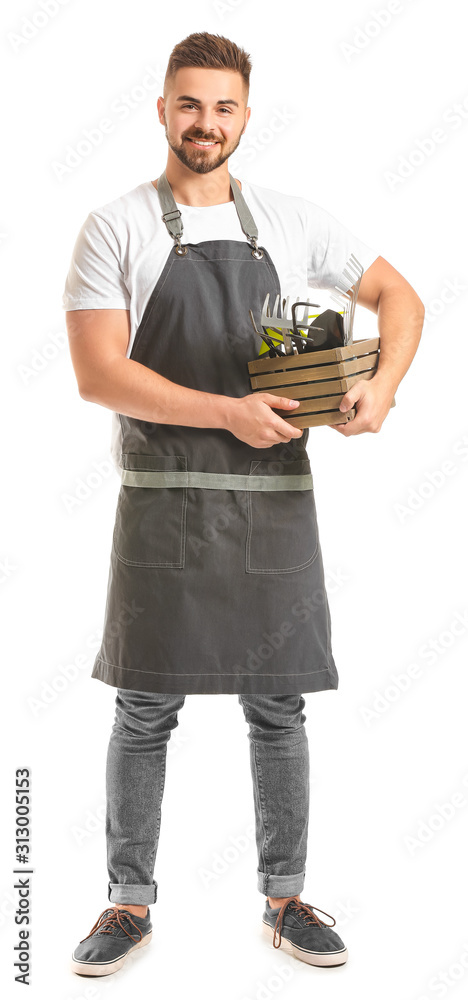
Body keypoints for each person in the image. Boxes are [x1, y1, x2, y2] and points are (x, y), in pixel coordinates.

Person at [63, 31, 424, 976]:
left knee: (280, 708)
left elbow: (400, 298)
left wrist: (377, 391)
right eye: (189, 105)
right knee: (144, 709)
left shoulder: (293, 222)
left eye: (223, 107)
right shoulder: (116, 227)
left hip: (274, 510)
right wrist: (226, 410)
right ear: (161, 110)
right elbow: (99, 375)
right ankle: (127, 905)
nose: (206, 124)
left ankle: (286, 900)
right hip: (162, 510)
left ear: (246, 116)